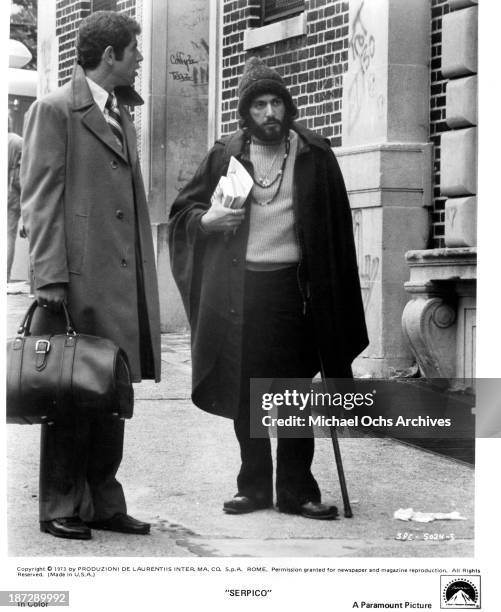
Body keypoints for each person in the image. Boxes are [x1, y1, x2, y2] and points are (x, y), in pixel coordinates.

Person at [169, 57, 368, 519]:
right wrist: (208, 220)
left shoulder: (315, 155)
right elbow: (183, 215)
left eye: (276, 102)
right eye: (258, 104)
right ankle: (253, 486)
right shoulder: (226, 155)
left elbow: (337, 233)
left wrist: (333, 296)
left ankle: (297, 490)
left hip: (297, 293)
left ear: (288, 106)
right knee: (248, 390)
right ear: (246, 111)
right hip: (243, 291)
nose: (269, 113)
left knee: (295, 390)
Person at [20, 11, 161, 540]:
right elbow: (40, 200)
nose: (140, 59)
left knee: (109, 394)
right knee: (67, 393)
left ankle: (103, 501)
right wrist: (49, 279)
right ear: (111, 56)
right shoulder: (55, 109)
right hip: (76, 284)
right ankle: (60, 503)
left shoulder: (120, 112)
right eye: (134, 51)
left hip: (120, 287)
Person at [7, 117, 23, 282]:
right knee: (8, 236)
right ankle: (5, 277)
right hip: (11, 194)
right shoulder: (18, 141)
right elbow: (22, 174)